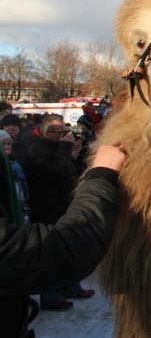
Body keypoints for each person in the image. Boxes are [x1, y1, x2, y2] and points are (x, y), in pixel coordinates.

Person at [0, 143, 124, 337]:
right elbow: (63, 253)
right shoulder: (37, 151)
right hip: (51, 215)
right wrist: (101, 176)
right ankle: (53, 298)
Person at [23, 114, 96, 310]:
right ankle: (51, 297)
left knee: (69, 252)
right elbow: (52, 172)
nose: (66, 135)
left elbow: (66, 170)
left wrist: (73, 152)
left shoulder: (55, 148)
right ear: (48, 133)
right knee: (52, 256)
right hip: (48, 212)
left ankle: (71, 287)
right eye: (61, 132)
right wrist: (65, 149)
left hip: (63, 207)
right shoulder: (37, 150)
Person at [1, 130, 30, 221]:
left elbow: (23, 187)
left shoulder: (16, 165)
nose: (6, 147)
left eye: (8, 144)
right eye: (3, 144)